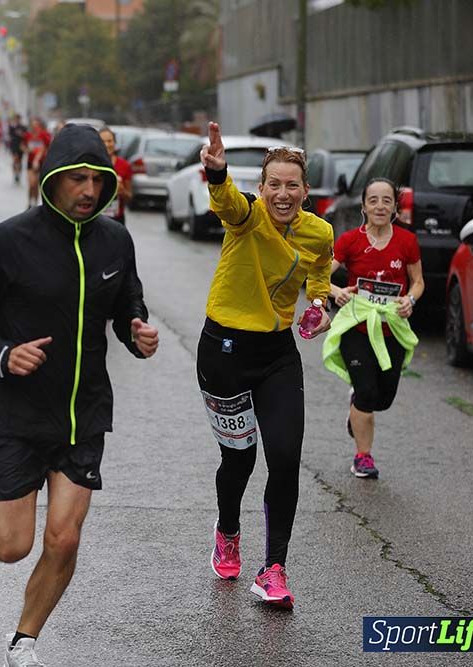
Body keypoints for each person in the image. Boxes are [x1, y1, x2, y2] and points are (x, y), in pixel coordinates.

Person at [0, 124, 159, 665]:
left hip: (84, 416)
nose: (88, 189)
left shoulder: (115, 240)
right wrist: (1, 355)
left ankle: (24, 641)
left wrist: (137, 331)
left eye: (97, 179)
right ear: (52, 180)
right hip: (19, 412)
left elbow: (128, 304)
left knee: (64, 538)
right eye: (76, 178)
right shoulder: (10, 239)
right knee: (13, 546)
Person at [196, 122, 333, 609]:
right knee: (239, 460)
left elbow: (320, 269)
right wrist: (218, 173)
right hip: (224, 351)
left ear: (304, 191)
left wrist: (317, 304)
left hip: (276, 355)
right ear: (262, 188)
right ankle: (228, 531)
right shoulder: (247, 217)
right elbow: (227, 202)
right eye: (273, 183)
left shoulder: (319, 231)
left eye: (291, 184)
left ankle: (274, 567)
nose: (282, 192)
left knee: (285, 456)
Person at [324, 177, 424, 479]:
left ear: (395, 206)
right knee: (367, 392)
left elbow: (418, 281)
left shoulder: (407, 241)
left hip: (392, 327)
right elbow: (317, 276)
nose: (380, 206)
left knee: (383, 398)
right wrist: (335, 291)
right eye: (373, 200)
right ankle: (363, 456)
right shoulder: (349, 241)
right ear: (364, 206)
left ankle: (357, 405)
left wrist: (409, 299)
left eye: (386, 200)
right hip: (357, 326)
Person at [98, 126, 133, 224]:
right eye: (103, 141)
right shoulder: (92, 164)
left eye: (109, 141)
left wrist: (122, 191)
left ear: (115, 143)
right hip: (96, 219)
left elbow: (130, 197)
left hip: (117, 220)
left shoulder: (124, 165)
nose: (107, 144)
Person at [23, 118, 52, 207]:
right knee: (31, 184)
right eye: (33, 125)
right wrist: (27, 150)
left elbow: (48, 147)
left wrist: (40, 155)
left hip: (41, 163)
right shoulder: (27, 135)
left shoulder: (44, 135)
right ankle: (29, 202)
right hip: (30, 162)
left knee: (37, 185)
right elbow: (22, 145)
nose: (34, 127)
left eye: (36, 125)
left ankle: (35, 203)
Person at [9, 114, 28, 185]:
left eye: (18, 119)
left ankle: (19, 173)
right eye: (16, 119)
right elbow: (10, 136)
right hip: (14, 145)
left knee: (20, 161)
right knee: (15, 159)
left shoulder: (23, 127)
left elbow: (26, 136)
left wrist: (21, 135)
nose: (17, 120)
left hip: (21, 146)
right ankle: (15, 173)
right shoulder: (12, 127)